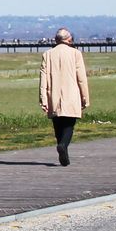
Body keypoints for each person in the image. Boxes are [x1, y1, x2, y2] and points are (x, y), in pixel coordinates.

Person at [40, 28, 89, 167]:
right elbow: (81, 79)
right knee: (69, 124)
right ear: (69, 39)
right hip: (71, 94)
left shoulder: (47, 54)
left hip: (53, 94)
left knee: (57, 124)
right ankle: (63, 145)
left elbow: (43, 79)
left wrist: (43, 99)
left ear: (56, 40)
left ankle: (62, 149)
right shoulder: (75, 53)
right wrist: (85, 97)